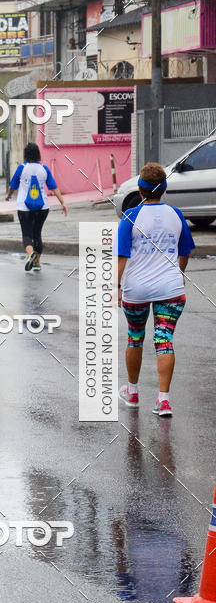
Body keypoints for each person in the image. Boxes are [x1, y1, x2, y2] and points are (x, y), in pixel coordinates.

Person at [117, 162, 194, 417]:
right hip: (170, 290)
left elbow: (121, 257)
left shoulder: (130, 216)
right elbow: (185, 251)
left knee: (135, 337)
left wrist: (115, 287)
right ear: (164, 189)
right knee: (164, 340)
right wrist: (178, 274)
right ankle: (163, 400)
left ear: (140, 189)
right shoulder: (176, 215)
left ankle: (133, 392)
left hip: (136, 290)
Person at [6, 141, 67, 272]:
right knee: (37, 233)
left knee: (27, 234)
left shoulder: (21, 168)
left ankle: (30, 255)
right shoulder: (44, 169)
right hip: (43, 207)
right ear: (38, 154)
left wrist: (8, 195)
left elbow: (13, 186)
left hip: (24, 207)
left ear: (25, 154)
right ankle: (37, 262)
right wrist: (62, 202)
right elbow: (54, 187)